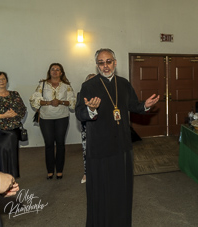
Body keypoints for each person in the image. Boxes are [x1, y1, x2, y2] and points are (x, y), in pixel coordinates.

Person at [75, 48, 159, 227]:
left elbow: (133, 105)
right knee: (101, 189)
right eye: (101, 62)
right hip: (100, 146)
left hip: (121, 144)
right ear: (97, 65)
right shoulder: (89, 86)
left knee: (121, 189)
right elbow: (79, 112)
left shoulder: (123, 83)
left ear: (115, 62)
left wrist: (145, 105)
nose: (105, 66)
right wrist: (90, 109)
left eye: (108, 61)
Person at [30, 63, 76, 180]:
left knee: (60, 144)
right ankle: (50, 170)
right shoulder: (42, 84)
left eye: (57, 69)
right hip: (46, 118)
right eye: (52, 69)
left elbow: (72, 102)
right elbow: (34, 99)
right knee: (49, 144)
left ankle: (59, 170)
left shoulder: (67, 86)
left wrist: (60, 102)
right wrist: (48, 103)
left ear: (61, 72)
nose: (55, 71)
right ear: (49, 72)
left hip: (62, 117)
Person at [0, 71, 27, 178]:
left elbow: (23, 109)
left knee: (12, 155)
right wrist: (2, 116)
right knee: (0, 155)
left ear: (7, 81)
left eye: (3, 79)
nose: (1, 81)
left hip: (13, 130)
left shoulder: (14, 94)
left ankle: (11, 177)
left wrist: (16, 114)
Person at [79, 74, 96, 184]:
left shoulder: (104, 95)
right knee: (87, 151)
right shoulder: (81, 95)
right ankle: (86, 173)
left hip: (103, 129)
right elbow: (79, 113)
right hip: (87, 128)